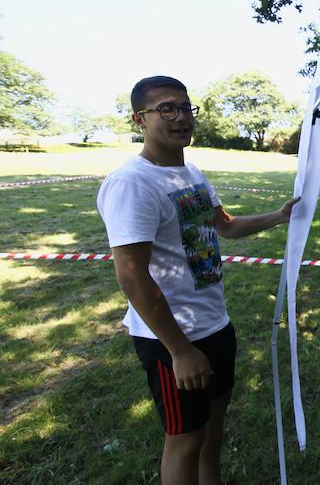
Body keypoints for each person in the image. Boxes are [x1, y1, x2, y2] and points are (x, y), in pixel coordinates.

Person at [97, 75, 299, 485]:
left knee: (212, 429)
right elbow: (132, 277)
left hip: (215, 325)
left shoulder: (191, 173)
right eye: (166, 109)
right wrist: (180, 351)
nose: (181, 117)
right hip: (171, 339)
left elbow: (224, 226)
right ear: (140, 119)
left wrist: (278, 217)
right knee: (185, 440)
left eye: (186, 108)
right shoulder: (132, 183)